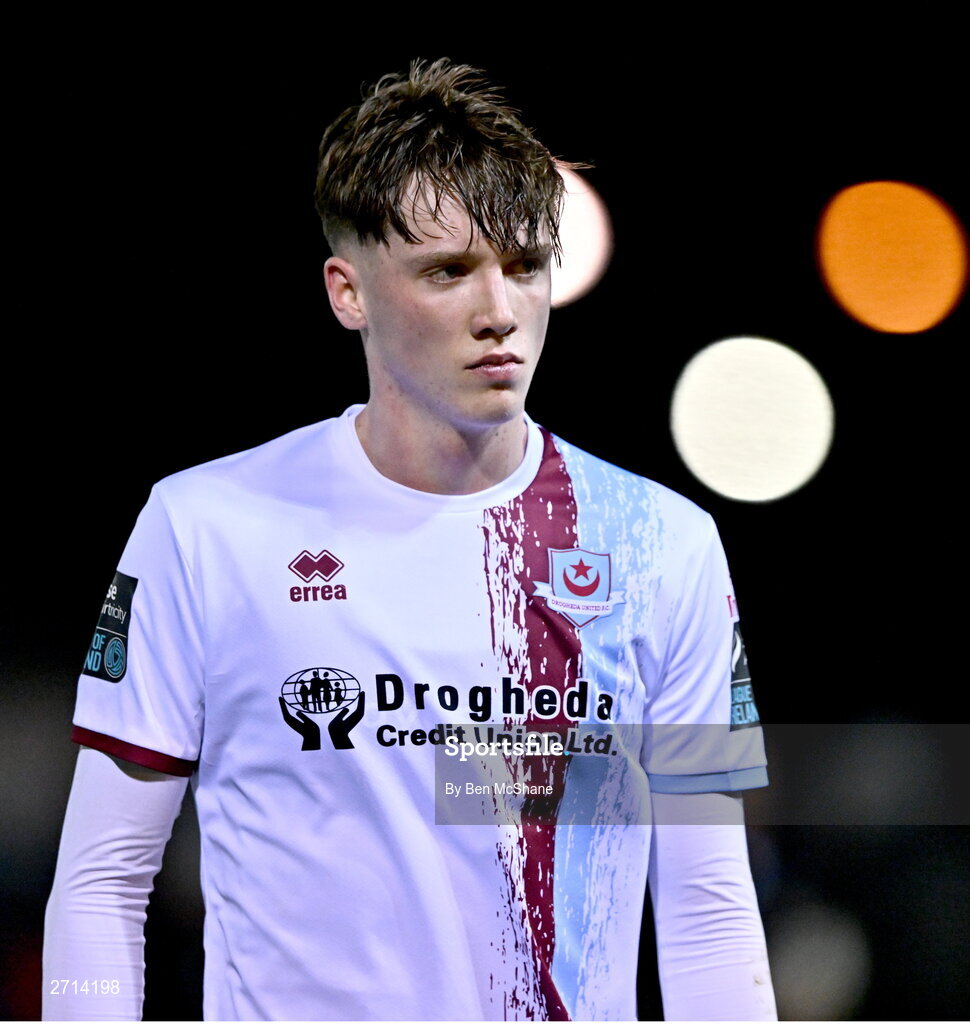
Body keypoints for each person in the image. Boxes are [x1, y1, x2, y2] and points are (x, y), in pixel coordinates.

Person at [44, 59, 777, 1021]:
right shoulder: (202, 528)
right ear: (348, 292)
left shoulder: (664, 548)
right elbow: (100, 887)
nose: (499, 312)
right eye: (448, 271)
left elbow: (710, 912)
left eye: (523, 267)